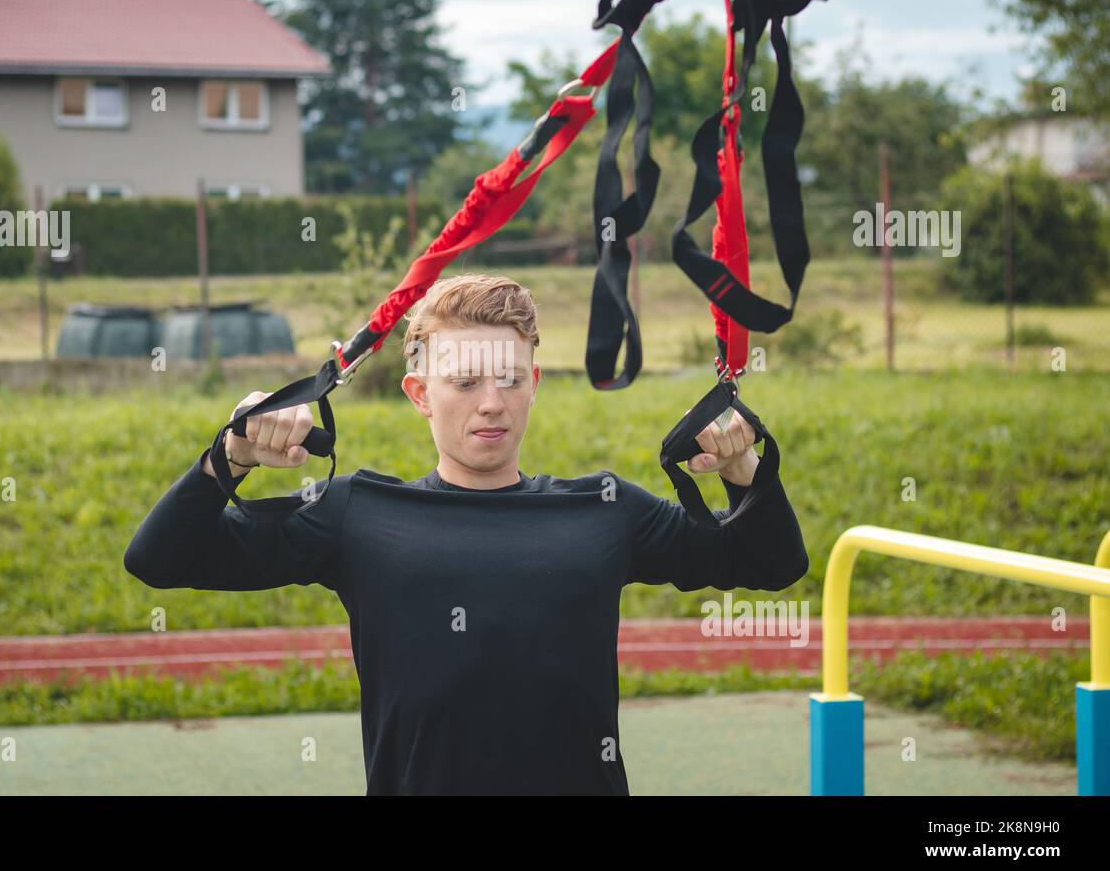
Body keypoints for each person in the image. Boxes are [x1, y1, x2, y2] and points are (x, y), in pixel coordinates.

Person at [124, 272, 809, 794]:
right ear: (420, 393)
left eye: (511, 379)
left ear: (535, 384)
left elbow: (771, 563)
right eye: (465, 381)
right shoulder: (356, 513)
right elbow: (160, 557)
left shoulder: (604, 510)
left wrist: (746, 471)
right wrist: (231, 456)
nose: (491, 402)